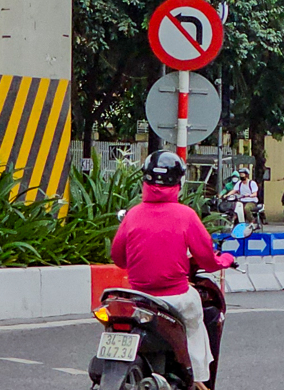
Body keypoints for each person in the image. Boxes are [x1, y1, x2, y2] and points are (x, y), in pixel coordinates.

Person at [111, 151, 235, 390]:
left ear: (145, 180)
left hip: (139, 298)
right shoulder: (186, 215)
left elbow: (118, 258)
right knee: (196, 321)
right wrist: (225, 260)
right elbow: (208, 259)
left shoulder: (132, 215)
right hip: (175, 296)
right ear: (179, 182)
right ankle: (198, 380)